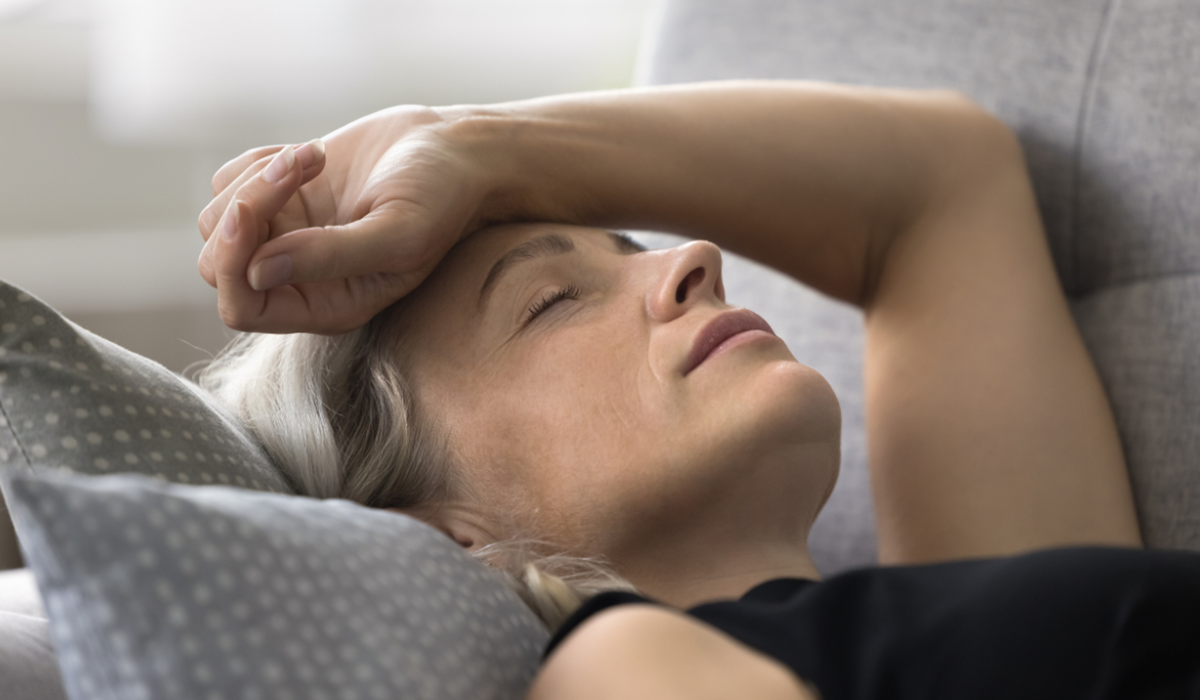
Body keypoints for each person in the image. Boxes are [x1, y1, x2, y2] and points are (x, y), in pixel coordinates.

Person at [194, 82, 1200, 699]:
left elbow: (942, 176)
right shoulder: (619, 668)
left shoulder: (952, 616)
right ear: (448, 535)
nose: (694, 258)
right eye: (552, 301)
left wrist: (470, 143)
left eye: (629, 246)